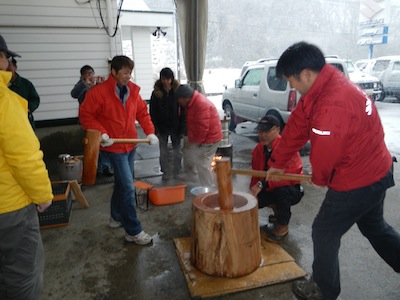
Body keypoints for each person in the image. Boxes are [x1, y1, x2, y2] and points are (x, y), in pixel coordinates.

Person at [268, 41, 400, 300]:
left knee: (324, 231)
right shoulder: (325, 84)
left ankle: (323, 290)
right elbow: (297, 125)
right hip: (377, 170)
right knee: (374, 227)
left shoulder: (332, 103)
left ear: (306, 73)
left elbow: (325, 153)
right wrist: (277, 162)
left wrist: (320, 178)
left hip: (358, 180)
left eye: (291, 81)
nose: (291, 86)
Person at [79, 55, 158, 245]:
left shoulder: (132, 91)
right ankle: (133, 231)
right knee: (128, 187)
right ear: (113, 72)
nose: (128, 76)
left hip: (130, 144)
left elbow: (142, 113)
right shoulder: (98, 93)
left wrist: (150, 132)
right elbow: (85, 115)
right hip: (113, 146)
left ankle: (115, 217)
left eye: (130, 72)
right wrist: (102, 133)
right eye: (124, 72)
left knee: (124, 184)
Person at [0, 34, 53, 300]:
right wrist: (43, 195)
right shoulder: (4, 102)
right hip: (8, 207)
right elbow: (23, 158)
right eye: (7, 59)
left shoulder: (20, 89)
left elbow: (35, 100)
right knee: (22, 273)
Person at [249, 115, 304, 243]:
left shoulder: (287, 148)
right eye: (260, 131)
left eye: (267, 131)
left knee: (282, 192)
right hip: (268, 186)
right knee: (255, 199)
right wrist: (253, 192)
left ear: (278, 130)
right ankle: (277, 212)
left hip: (291, 188)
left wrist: (262, 184)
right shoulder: (258, 150)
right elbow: (256, 174)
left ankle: (282, 225)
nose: (263, 135)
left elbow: (288, 178)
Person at [174, 84, 222, 187]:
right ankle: (203, 185)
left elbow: (202, 127)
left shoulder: (200, 104)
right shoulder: (192, 103)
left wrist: (197, 143)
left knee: (203, 164)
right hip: (206, 137)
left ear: (184, 98)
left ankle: (208, 190)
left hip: (210, 138)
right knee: (199, 161)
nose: (178, 102)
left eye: (179, 100)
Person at [71, 65, 112, 176]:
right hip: (88, 120)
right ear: (82, 75)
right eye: (88, 73)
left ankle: (105, 166)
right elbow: (74, 94)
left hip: (100, 119)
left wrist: (101, 84)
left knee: (104, 142)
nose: (91, 76)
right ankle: (95, 168)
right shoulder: (80, 85)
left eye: (92, 73)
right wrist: (85, 84)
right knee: (92, 144)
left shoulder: (96, 84)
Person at [150, 67, 185, 181]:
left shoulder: (177, 92)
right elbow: (152, 111)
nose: (165, 81)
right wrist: (155, 127)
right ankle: (165, 172)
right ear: (160, 79)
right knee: (163, 151)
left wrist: (182, 128)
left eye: (168, 79)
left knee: (178, 150)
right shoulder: (156, 93)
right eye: (163, 79)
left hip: (176, 126)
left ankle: (178, 171)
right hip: (161, 126)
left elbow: (183, 110)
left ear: (172, 79)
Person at [7, 57, 40, 129]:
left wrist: (28, 108)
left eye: (9, 65)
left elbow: (35, 100)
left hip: (25, 123)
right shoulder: (2, 85)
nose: (7, 69)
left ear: (15, 67)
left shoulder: (26, 84)